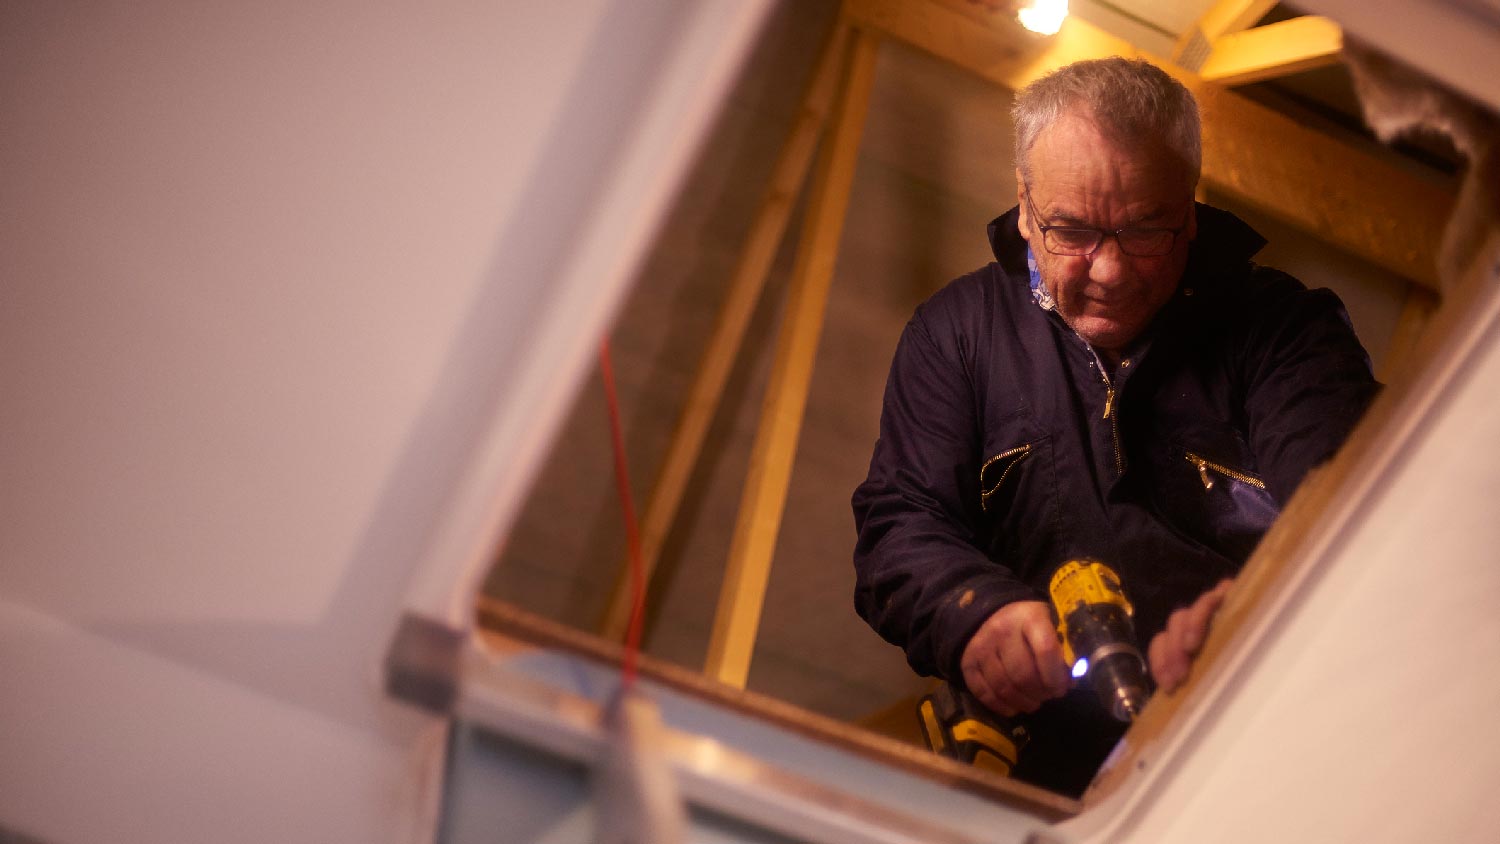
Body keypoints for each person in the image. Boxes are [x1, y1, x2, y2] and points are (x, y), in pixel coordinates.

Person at [850, 57, 1379, 796]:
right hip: (1043, 774)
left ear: (1189, 209)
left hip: (1256, 741)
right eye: (1072, 232)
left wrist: (1269, 601)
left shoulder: (1285, 332)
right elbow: (902, 523)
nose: (1110, 271)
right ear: (1026, 207)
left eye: (1146, 231)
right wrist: (973, 613)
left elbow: (1352, 498)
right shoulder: (958, 336)